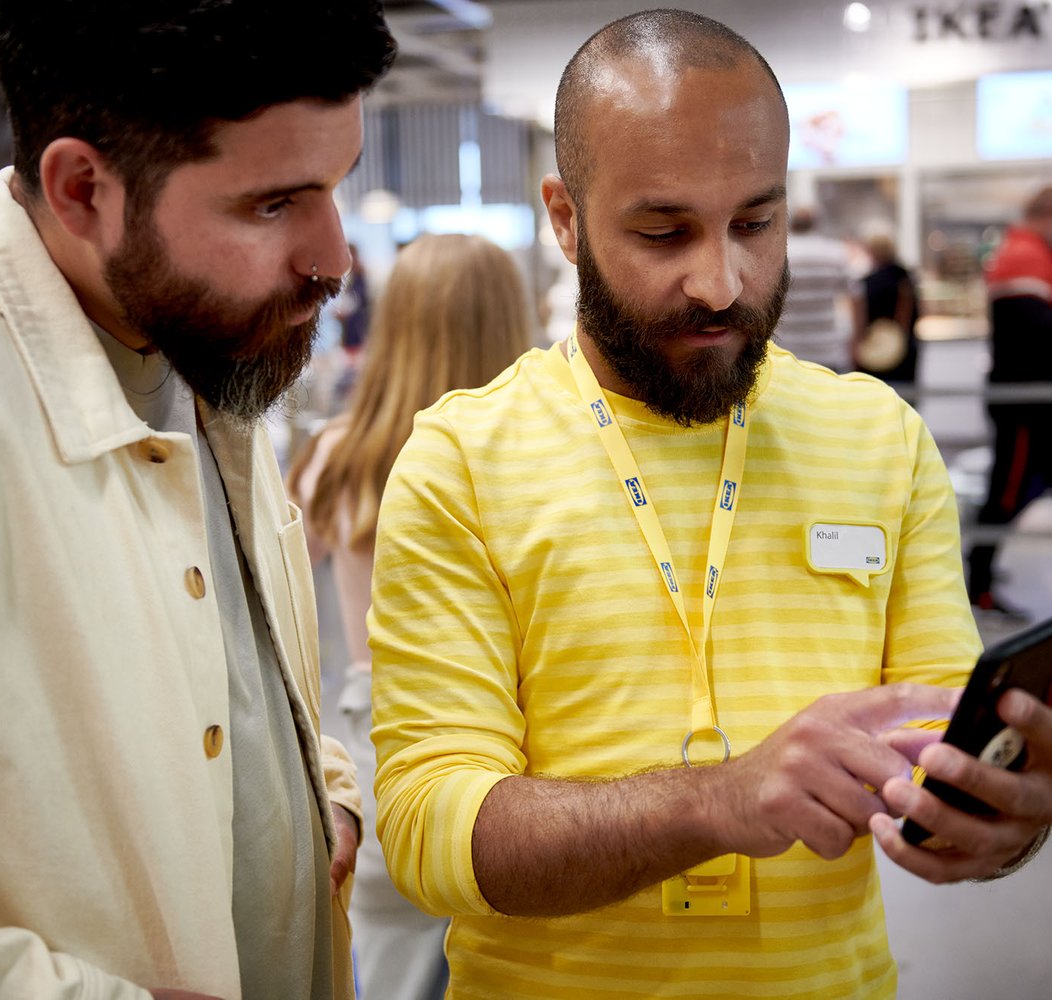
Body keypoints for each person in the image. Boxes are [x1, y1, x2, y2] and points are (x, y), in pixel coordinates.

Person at [368, 10, 1052, 999]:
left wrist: (1000, 818)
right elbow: (433, 831)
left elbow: (942, 748)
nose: (720, 281)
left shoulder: (878, 439)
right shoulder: (462, 461)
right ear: (565, 218)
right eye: (663, 230)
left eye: (756, 223)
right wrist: (716, 801)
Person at [0, 2, 395, 998]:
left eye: (334, 188)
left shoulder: (198, 336)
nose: (334, 258)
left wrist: (325, 796)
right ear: (84, 189)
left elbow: (218, 670)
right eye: (272, 204)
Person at [289, 232, 532, 1000]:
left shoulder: (338, 454)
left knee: (391, 970)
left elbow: (277, 594)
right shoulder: (533, 461)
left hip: (380, 743)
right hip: (520, 738)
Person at [967, 186, 1052, 613]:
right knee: (1007, 493)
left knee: (1010, 491)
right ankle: (977, 584)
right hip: (1024, 403)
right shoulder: (1025, 257)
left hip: (1028, 400)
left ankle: (978, 578)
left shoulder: (1028, 252)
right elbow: (1036, 337)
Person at [771, 205, 856, 372]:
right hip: (827, 348)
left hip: (787, 348)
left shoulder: (781, 253)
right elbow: (856, 296)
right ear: (815, 224)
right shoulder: (835, 252)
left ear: (791, 223)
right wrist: (856, 340)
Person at [853, 230, 921, 385]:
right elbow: (916, 313)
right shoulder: (906, 279)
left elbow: (861, 319)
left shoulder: (869, 282)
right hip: (904, 348)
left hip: (875, 350)